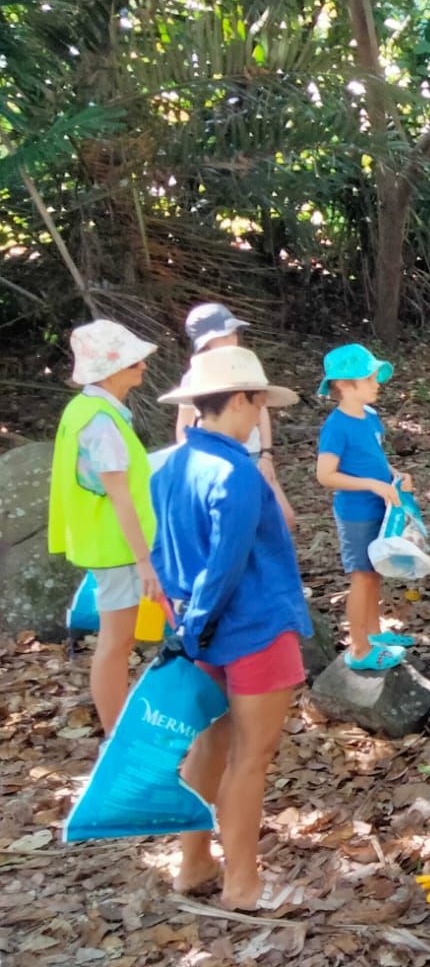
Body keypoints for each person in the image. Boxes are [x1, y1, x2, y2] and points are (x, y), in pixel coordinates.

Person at [151, 346, 312, 910]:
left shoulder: (170, 465)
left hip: (198, 631)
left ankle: (193, 861)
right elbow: (228, 560)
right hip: (253, 626)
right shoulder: (237, 472)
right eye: (258, 402)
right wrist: (201, 620)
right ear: (240, 400)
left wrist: (186, 625)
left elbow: (162, 552)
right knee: (251, 753)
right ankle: (243, 881)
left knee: (211, 743)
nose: (260, 414)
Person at [49, 320, 161, 736]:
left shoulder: (86, 411)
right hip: (116, 547)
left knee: (120, 640)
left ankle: (119, 725)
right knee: (116, 643)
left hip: (108, 544)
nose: (143, 367)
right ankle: (116, 734)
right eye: (133, 361)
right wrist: (145, 560)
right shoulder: (101, 421)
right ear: (110, 368)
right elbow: (120, 496)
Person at [316, 343, 411, 672]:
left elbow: (375, 459)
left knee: (374, 575)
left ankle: (374, 633)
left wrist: (394, 475)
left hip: (380, 509)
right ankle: (358, 649)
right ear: (343, 384)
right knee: (362, 578)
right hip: (356, 513)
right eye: (370, 378)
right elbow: (325, 475)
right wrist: (371, 485)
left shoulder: (370, 417)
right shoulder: (336, 426)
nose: (377, 383)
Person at [174, 302, 296, 532]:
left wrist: (266, 454)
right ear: (206, 342)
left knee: (284, 518)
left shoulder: (245, 365)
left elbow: (261, 410)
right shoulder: (195, 379)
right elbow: (184, 427)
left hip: (253, 454)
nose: (233, 339)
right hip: (217, 459)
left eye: (234, 334)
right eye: (225, 335)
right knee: (238, 525)